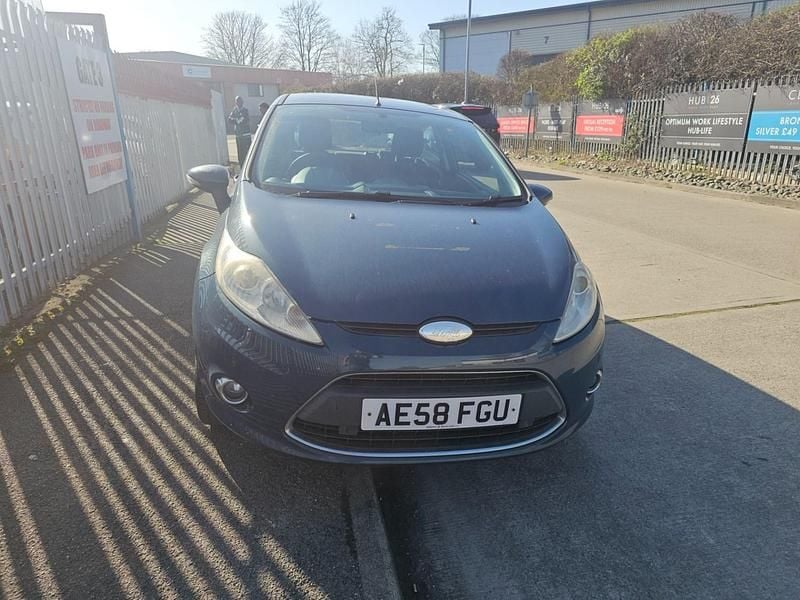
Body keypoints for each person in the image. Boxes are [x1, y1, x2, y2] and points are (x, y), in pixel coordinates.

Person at [228, 96, 251, 167]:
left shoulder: (245, 110)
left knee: (247, 152)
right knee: (240, 153)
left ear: (242, 102)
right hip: (238, 135)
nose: (238, 103)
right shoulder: (234, 110)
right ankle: (241, 167)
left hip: (245, 135)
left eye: (240, 101)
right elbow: (229, 119)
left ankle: (248, 167)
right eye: (237, 101)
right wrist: (236, 120)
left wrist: (235, 120)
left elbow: (242, 120)